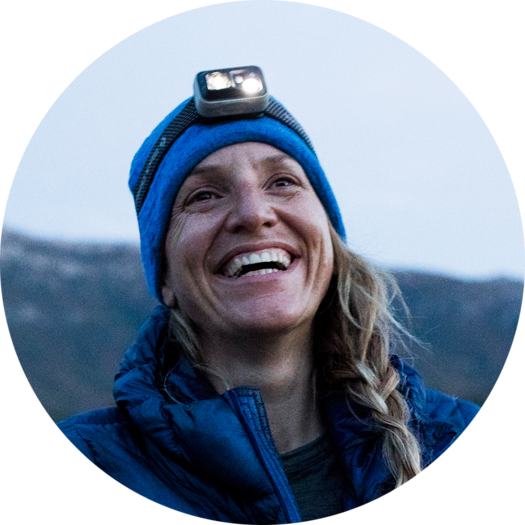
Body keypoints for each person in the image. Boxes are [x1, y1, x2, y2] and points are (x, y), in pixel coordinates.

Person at [56, 66, 481, 523]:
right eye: (204, 195)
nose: (253, 213)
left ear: (328, 238)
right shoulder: (93, 458)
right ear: (165, 280)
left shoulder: (452, 436)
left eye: (282, 182)